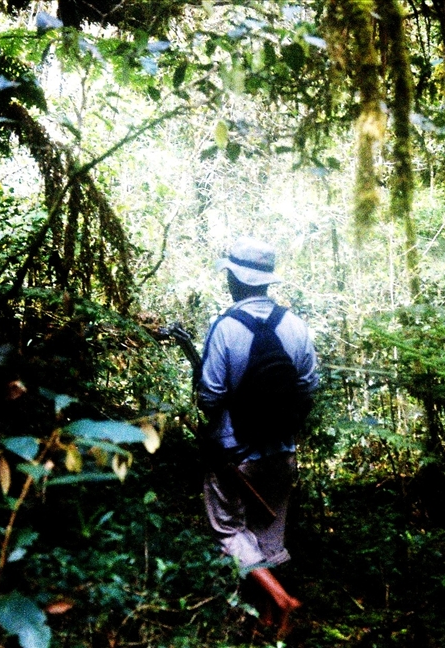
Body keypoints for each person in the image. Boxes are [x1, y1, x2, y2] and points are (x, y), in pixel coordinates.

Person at [198, 236, 318, 634]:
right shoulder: (296, 325)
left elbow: (210, 396)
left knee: (228, 530)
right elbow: (309, 386)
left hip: (237, 454)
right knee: (268, 536)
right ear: (267, 281)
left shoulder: (226, 327)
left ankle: (281, 600)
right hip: (281, 450)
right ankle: (270, 622)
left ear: (234, 280)